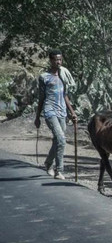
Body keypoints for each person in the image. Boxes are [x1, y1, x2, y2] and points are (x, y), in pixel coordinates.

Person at [34, 49, 77, 180]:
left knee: (57, 140)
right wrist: (37, 117)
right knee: (61, 140)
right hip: (49, 111)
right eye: (55, 59)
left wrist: (72, 112)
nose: (58, 62)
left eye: (60, 59)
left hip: (62, 111)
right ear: (51, 60)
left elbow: (65, 95)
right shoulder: (44, 77)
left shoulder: (63, 75)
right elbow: (42, 98)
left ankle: (48, 163)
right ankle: (59, 171)